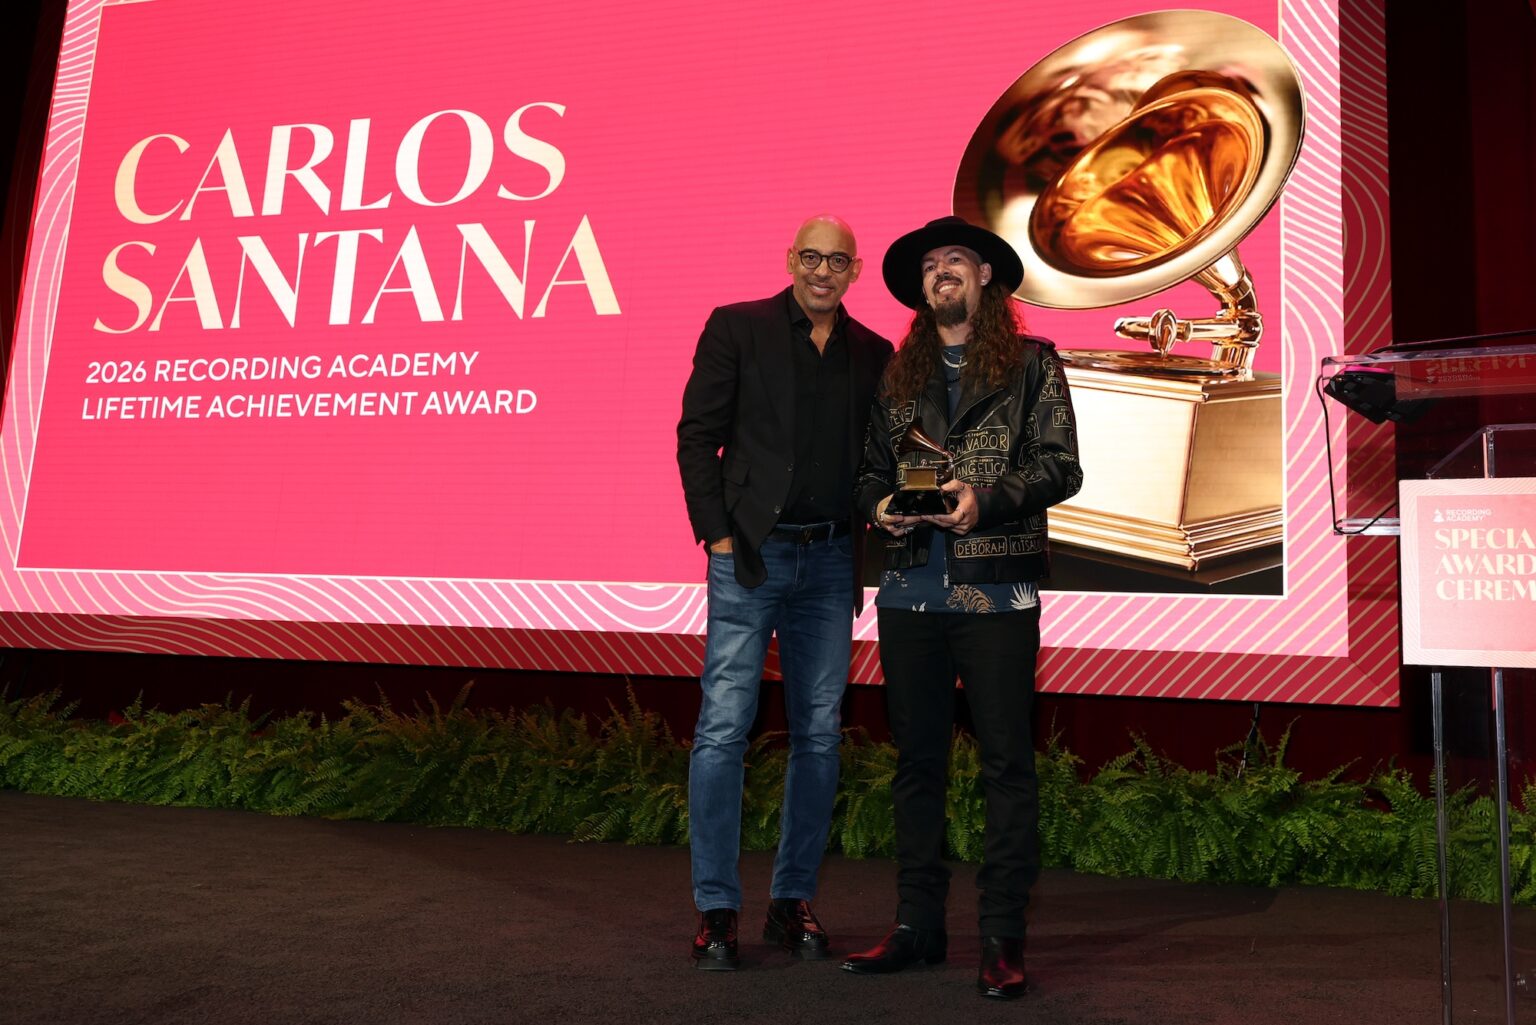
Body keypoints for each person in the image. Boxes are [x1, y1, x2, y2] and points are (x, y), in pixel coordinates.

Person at [841, 215, 1082, 999]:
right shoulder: (897, 375)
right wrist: (882, 510)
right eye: (929, 264)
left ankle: (1003, 937)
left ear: (986, 278)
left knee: (1007, 765)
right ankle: (917, 926)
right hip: (910, 591)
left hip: (998, 590)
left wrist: (989, 500)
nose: (941, 270)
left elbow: (1061, 466)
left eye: (956, 260)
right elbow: (870, 473)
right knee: (917, 765)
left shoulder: (1034, 365)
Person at [676, 215, 894, 970]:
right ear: (790, 259)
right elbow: (696, 435)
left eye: (838, 260)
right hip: (750, 559)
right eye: (811, 256)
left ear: (856, 270)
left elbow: (878, 460)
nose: (823, 270)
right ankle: (716, 906)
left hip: (832, 561)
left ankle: (790, 898)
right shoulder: (737, 328)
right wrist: (720, 534)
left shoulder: (875, 353)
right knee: (722, 730)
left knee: (821, 736)